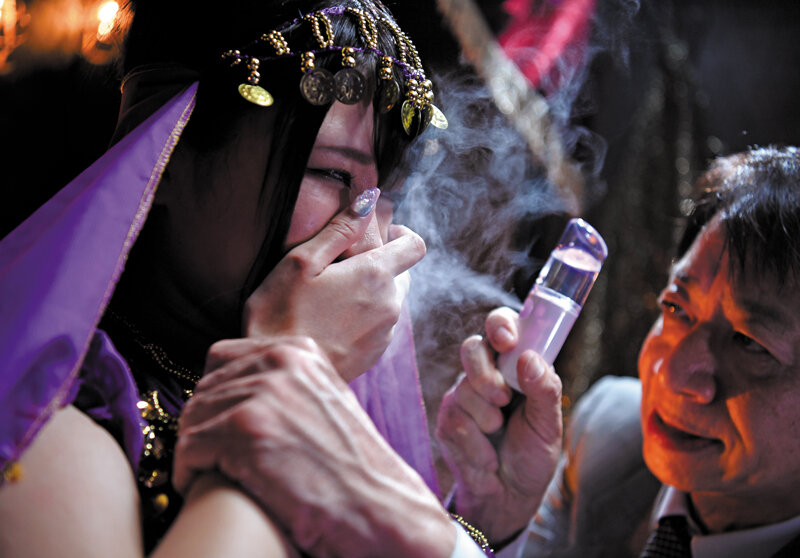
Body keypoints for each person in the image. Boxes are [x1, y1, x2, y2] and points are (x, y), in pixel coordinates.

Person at [0, 1, 566, 556]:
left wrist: (480, 519)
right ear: (168, 148)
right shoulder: (48, 422)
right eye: (332, 173)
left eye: (387, 194)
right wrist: (286, 385)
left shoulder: (335, 413)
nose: (367, 244)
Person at [437, 145, 800, 557]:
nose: (672, 372)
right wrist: (492, 521)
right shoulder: (609, 435)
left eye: (749, 342)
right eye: (677, 308)